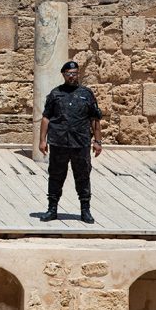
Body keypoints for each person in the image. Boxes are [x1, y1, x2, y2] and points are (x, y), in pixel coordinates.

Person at [38, 60, 103, 224]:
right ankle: (52, 209)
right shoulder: (55, 94)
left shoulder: (86, 94)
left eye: (74, 74)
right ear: (64, 75)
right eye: (69, 74)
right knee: (56, 176)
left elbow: (95, 119)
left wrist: (98, 141)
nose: (72, 77)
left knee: (82, 176)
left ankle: (85, 210)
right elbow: (46, 117)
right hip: (59, 142)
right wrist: (42, 140)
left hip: (80, 142)